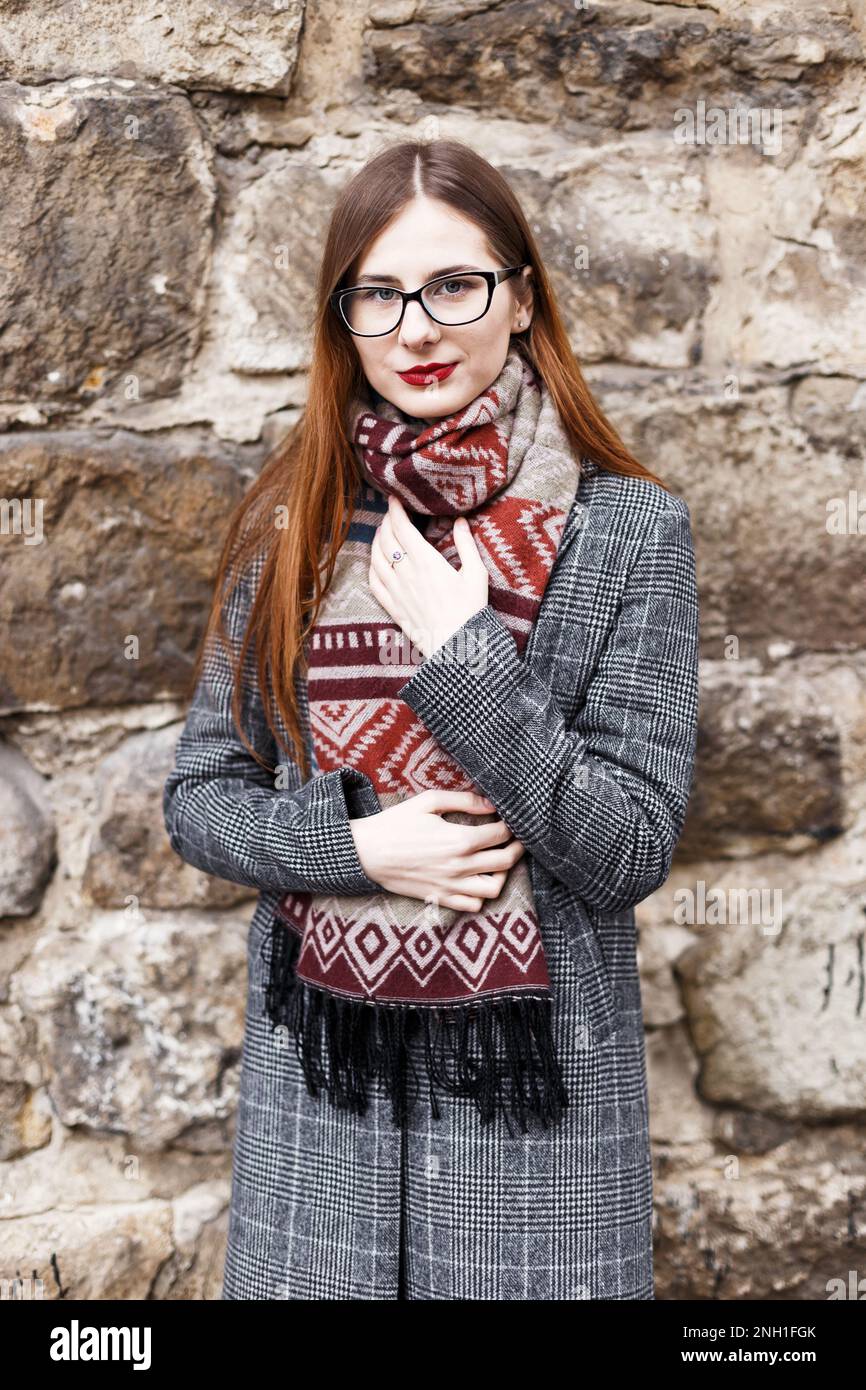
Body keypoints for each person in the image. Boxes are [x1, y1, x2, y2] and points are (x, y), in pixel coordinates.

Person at [163, 137, 700, 1300]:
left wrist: (466, 659)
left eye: (454, 286)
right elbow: (200, 798)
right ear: (342, 319)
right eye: (378, 293)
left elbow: (626, 849)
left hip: (536, 1144)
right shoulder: (287, 525)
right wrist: (353, 848)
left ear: (519, 298)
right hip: (322, 1128)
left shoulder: (628, 532)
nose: (416, 327)